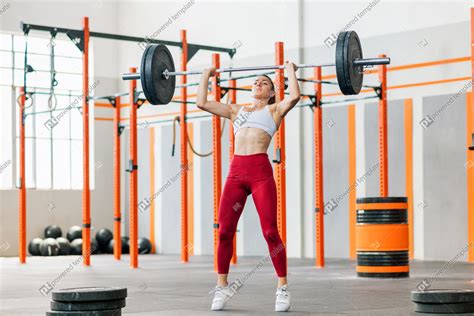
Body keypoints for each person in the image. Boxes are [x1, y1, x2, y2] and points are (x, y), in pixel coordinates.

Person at [196, 61, 300, 312]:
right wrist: (205, 75)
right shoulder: (236, 111)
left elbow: (295, 96)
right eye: (256, 82)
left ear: (272, 92)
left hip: (260, 172)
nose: (258, 84)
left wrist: (289, 71)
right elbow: (202, 103)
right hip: (236, 173)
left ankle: (282, 287)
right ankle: (222, 286)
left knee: (269, 232)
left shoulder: (275, 110)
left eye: (264, 83)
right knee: (224, 232)